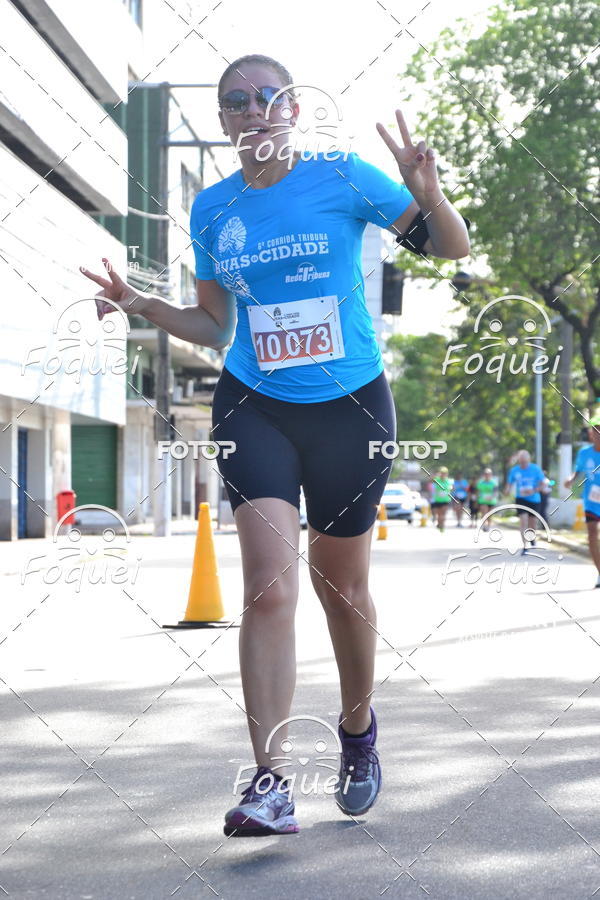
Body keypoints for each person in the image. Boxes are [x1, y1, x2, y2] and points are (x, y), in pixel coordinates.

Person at [81, 54, 470, 836]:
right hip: (254, 404)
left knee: (342, 590)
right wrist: (140, 303)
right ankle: (270, 781)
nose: (254, 110)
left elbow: (450, 247)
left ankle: (357, 730)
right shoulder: (215, 210)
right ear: (223, 120)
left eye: (269, 97)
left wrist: (430, 195)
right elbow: (213, 327)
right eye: (236, 102)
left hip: (352, 407)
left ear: (293, 108)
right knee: (268, 587)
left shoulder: (344, 176)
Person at [564, 414, 600, 588]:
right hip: (592, 500)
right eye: (595, 429)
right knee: (592, 534)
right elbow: (577, 471)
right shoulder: (584, 453)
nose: (598, 432)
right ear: (590, 433)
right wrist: (570, 479)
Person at [506, 450, 545, 554]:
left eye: (525, 462)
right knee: (523, 521)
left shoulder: (535, 469)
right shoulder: (515, 470)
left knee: (532, 523)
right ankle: (525, 546)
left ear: (529, 460)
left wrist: (533, 490)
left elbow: (543, 484)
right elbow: (509, 483)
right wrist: (507, 490)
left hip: (534, 499)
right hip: (521, 498)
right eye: (521, 462)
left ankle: (532, 538)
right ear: (519, 461)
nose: (523, 464)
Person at [430, 466, 454, 532]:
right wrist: (436, 475)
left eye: (445, 473)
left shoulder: (449, 481)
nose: (443, 474)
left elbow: (452, 488)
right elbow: (431, 479)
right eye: (442, 473)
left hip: (445, 500)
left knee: (443, 514)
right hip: (438, 500)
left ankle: (442, 525)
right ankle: (439, 523)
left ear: (447, 473)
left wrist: (450, 490)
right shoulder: (437, 479)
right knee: (439, 514)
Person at [476, 468, 498, 532]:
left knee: (490, 515)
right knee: (484, 513)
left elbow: (495, 492)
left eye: (488, 474)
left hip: (492, 501)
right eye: (486, 474)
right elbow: (478, 492)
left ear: (491, 475)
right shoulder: (480, 482)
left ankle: (488, 526)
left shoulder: (494, 483)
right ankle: (484, 525)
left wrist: (492, 497)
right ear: (484, 475)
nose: (487, 475)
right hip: (483, 501)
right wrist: (477, 500)